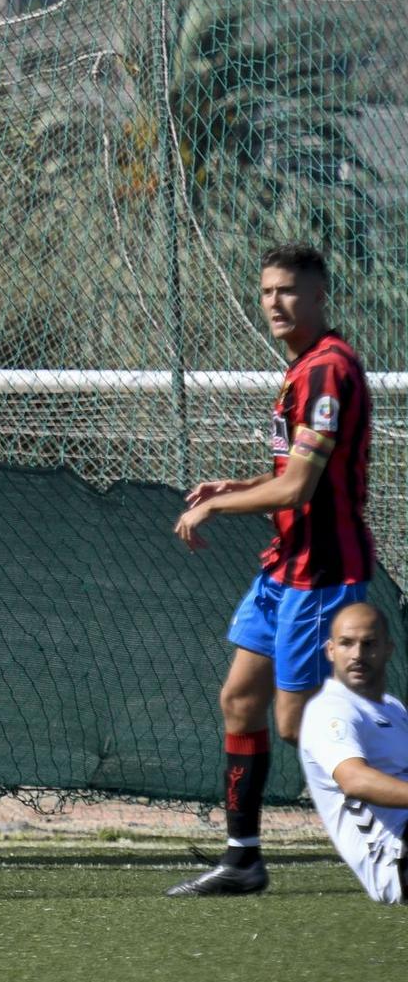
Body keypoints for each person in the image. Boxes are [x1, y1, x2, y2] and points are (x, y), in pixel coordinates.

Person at [169, 243, 373, 896]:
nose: (275, 304)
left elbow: (298, 491)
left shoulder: (327, 372)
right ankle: (243, 858)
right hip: (283, 567)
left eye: (288, 291)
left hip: (323, 571)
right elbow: (290, 478)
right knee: (240, 700)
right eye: (266, 293)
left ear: (319, 296)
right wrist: (238, 482)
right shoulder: (303, 368)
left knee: (296, 722)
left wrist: (221, 505)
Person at [297, 603, 408, 904]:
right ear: (330, 650)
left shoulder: (393, 709)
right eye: (347, 643)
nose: (358, 655)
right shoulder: (330, 710)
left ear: (388, 649)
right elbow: (355, 781)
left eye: (369, 644)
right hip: (395, 862)